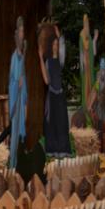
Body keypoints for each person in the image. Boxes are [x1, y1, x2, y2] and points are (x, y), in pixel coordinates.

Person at [39, 24, 71, 157]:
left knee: (62, 123)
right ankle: (52, 151)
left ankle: (63, 151)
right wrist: (40, 57)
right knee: (52, 124)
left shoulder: (60, 61)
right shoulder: (48, 62)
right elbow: (46, 80)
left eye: (57, 45)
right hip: (52, 96)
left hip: (60, 97)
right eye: (54, 44)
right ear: (51, 46)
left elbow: (63, 49)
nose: (56, 47)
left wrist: (59, 36)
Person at [7, 17, 28, 169]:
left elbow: (23, 77)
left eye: (23, 32)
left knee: (22, 134)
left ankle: (20, 164)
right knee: (14, 134)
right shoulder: (15, 57)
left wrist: (24, 87)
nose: (22, 35)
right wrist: (17, 85)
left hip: (22, 99)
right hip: (16, 100)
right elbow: (12, 81)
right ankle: (13, 164)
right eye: (20, 32)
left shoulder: (22, 55)